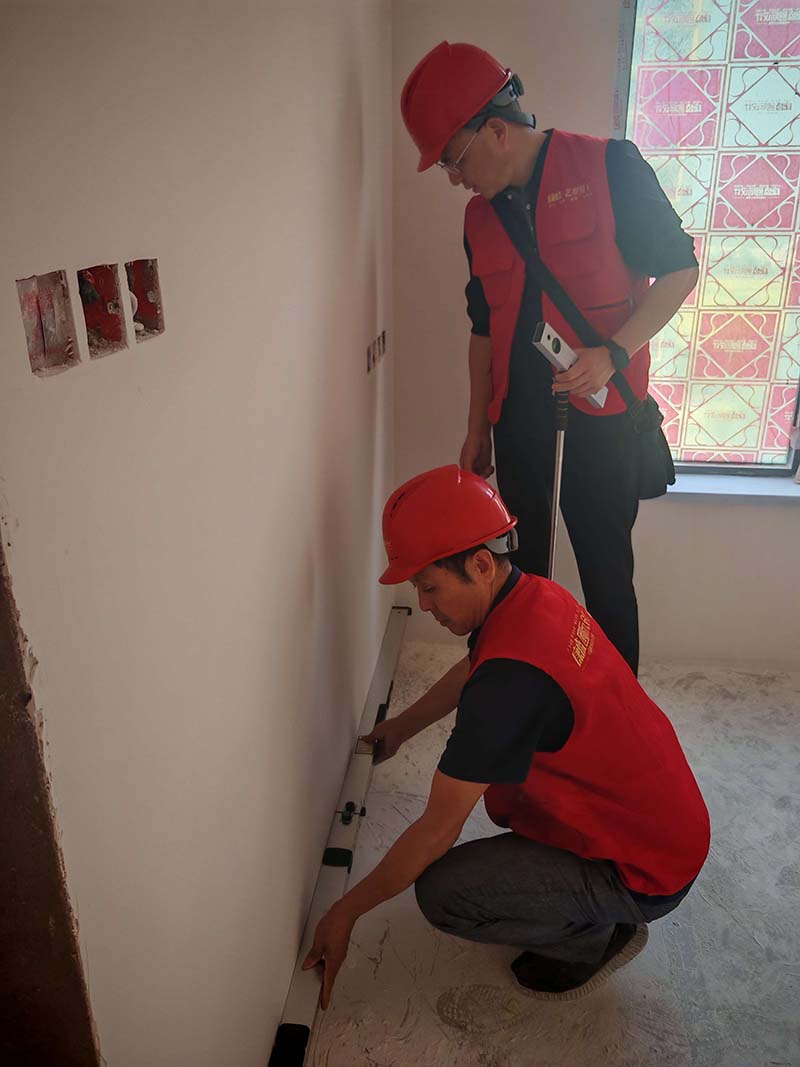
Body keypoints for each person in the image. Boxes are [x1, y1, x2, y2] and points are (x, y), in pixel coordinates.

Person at [303, 465, 710, 1009]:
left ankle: (592, 938)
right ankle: (594, 905)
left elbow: (435, 830)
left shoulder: (509, 688)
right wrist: (402, 727)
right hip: (666, 829)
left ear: (479, 564)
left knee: (444, 895)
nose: (423, 604)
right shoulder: (537, 597)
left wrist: (344, 912)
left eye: (429, 586)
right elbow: (478, 665)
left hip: (644, 871)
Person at [399, 42, 700, 675]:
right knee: (518, 577)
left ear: (496, 130)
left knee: (606, 574)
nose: (454, 177)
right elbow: (483, 329)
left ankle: (615, 713)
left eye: (454, 158)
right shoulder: (478, 220)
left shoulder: (611, 168)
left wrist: (614, 353)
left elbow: (680, 270)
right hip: (520, 426)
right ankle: (528, 698)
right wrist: (477, 426)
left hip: (603, 417)